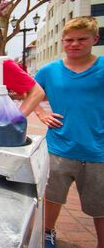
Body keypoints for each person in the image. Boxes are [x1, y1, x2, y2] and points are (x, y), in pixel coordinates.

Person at [34, 16, 103, 248]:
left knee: (100, 206)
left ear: (95, 38)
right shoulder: (49, 71)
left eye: (82, 39)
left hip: (98, 151)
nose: (74, 44)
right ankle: (47, 232)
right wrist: (41, 113)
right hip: (59, 147)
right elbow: (31, 94)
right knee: (52, 197)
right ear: (62, 41)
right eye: (69, 40)